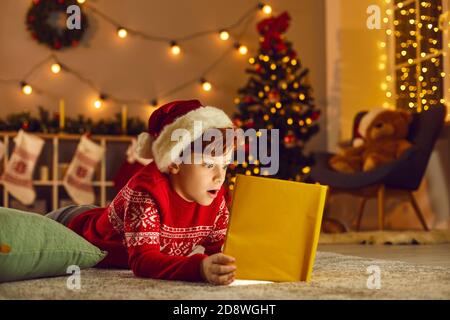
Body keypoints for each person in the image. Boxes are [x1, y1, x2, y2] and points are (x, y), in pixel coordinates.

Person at [46, 99, 237, 285]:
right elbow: (143, 261)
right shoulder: (147, 191)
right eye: (209, 164)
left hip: (102, 219)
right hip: (71, 228)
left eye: (225, 165)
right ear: (173, 162)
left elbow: (221, 249)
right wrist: (199, 268)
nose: (220, 177)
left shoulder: (216, 197)